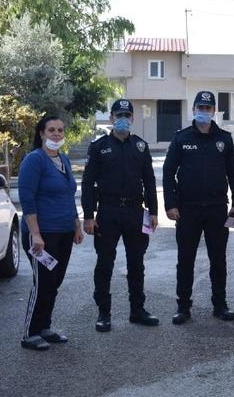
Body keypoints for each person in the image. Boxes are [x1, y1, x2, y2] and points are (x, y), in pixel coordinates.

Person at [163, 91, 234, 324]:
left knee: (218, 259)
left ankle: (220, 304)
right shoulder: (181, 138)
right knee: (185, 259)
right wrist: (170, 204)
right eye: (200, 107)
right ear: (193, 109)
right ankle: (183, 307)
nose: (204, 112)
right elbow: (168, 173)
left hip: (217, 209)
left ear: (214, 111)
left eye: (208, 108)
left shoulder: (224, 139)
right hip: (187, 209)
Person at [81, 99, 159, 332]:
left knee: (136, 263)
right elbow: (87, 183)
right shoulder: (98, 147)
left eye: (127, 115)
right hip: (108, 211)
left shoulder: (141, 146)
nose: (122, 119)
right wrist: (88, 215)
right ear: (111, 118)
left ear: (132, 118)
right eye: (118, 115)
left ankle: (138, 310)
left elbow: (150, 181)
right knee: (105, 264)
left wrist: (153, 211)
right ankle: (104, 313)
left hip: (135, 211)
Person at [18, 115, 84, 350]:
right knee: (43, 283)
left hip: (64, 231)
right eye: (52, 130)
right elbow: (27, 199)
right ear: (41, 133)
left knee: (54, 282)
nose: (57, 134)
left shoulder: (63, 159)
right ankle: (30, 333)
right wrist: (36, 234)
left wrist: (76, 225)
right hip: (42, 235)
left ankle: (44, 327)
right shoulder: (34, 160)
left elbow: (68, 195)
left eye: (60, 130)